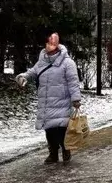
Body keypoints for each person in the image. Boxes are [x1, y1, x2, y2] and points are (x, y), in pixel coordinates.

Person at [16, 33, 82, 164]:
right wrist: (22, 77)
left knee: (62, 129)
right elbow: (32, 73)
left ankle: (65, 150)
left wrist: (76, 99)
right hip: (46, 102)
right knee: (49, 130)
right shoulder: (42, 61)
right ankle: (53, 153)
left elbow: (73, 82)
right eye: (48, 43)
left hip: (61, 101)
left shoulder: (67, 63)